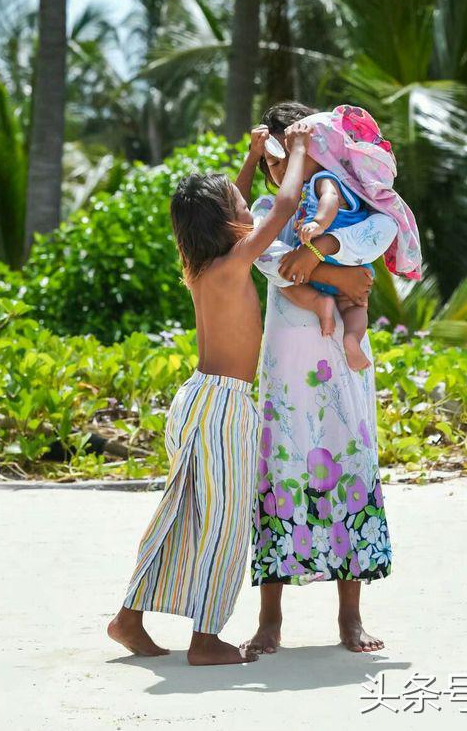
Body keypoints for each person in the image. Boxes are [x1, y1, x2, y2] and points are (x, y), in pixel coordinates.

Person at [107, 122, 312, 666]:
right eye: (239, 203)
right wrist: (296, 150)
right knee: (224, 523)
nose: (247, 203)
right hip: (224, 406)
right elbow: (284, 205)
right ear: (229, 222)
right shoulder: (235, 260)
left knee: (181, 514)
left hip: (195, 400)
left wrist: (249, 157)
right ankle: (206, 638)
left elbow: (233, 209)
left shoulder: (201, 265)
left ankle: (129, 618)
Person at [234, 102, 400, 655]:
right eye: (275, 159)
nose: (283, 166)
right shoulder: (268, 209)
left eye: (294, 152)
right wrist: (334, 274)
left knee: (349, 459)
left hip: (343, 360)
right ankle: (270, 619)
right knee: (281, 467)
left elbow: (381, 233)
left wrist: (324, 253)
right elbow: (265, 255)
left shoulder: (346, 196)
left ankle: (350, 618)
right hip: (286, 364)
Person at [270, 137, 374, 372]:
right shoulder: (309, 187)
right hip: (342, 264)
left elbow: (330, 198)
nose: (292, 165)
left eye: (298, 156)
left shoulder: (325, 178)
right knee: (353, 307)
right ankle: (351, 338)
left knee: (287, 283)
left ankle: (322, 305)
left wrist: (319, 223)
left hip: (330, 256)